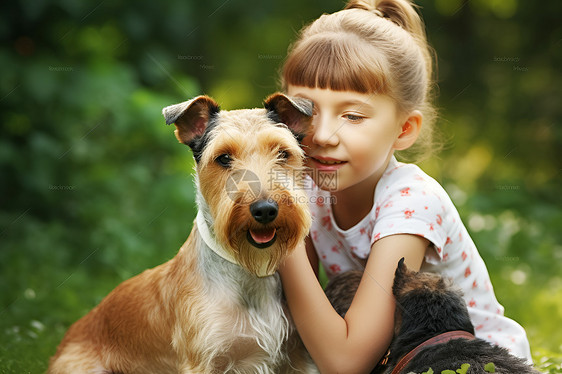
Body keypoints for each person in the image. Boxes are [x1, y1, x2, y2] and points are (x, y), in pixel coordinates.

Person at [277, 0, 533, 372]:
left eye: (352, 115)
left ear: (404, 129)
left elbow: (347, 361)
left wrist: (281, 235)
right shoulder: (307, 187)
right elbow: (293, 316)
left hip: (469, 363)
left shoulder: (412, 201)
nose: (322, 135)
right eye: (305, 110)